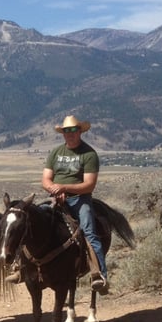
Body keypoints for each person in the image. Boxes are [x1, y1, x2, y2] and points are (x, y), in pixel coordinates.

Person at [42, 114, 108, 292]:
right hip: (56, 196)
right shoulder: (56, 152)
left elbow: (89, 185)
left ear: (80, 131)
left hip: (80, 199)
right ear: (62, 133)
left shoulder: (88, 154)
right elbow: (46, 179)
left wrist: (64, 188)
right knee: (33, 220)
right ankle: (21, 266)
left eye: (73, 130)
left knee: (89, 231)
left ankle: (99, 273)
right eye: (66, 131)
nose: (69, 133)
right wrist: (55, 191)